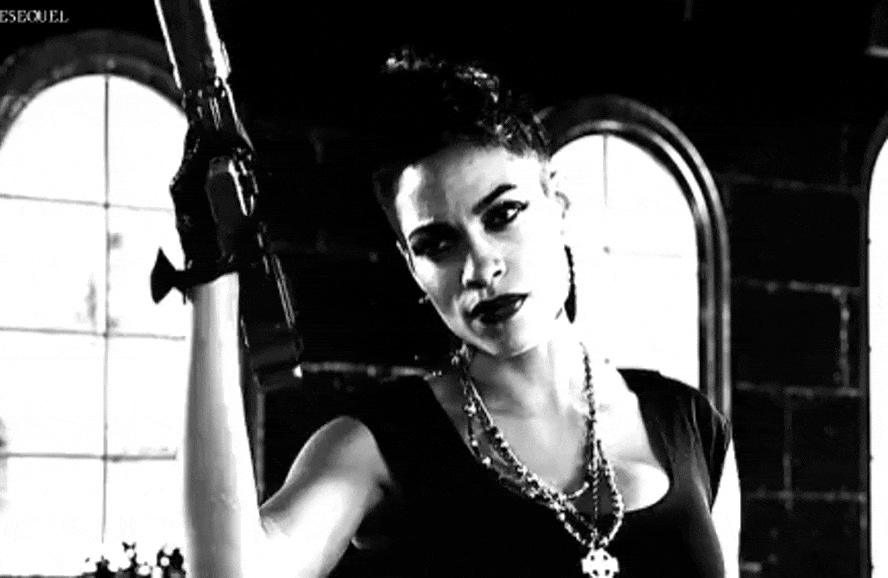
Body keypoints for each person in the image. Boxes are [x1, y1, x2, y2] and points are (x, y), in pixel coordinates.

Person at [175, 47, 740, 578]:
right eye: (438, 244)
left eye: (503, 215)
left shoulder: (690, 424)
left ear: (558, 203)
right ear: (411, 264)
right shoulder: (374, 445)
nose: (479, 267)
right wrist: (213, 273)